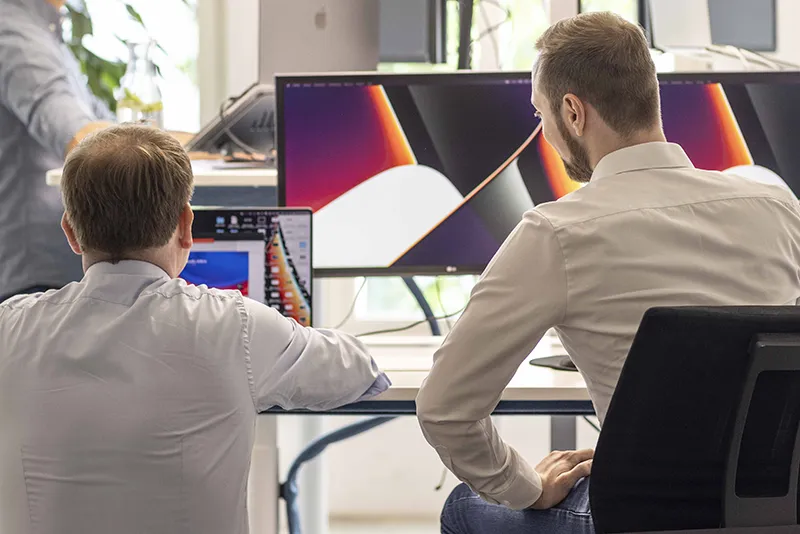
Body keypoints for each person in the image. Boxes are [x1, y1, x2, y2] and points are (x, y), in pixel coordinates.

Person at [416, 12, 800, 534]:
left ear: (573, 112)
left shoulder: (557, 233)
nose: (544, 132)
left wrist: (525, 486)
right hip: (774, 510)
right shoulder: (778, 207)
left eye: (541, 116)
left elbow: (443, 408)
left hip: (638, 515)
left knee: (463, 507)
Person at [0, 124, 390, 534]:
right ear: (187, 226)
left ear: (71, 232)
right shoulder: (235, 326)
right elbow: (358, 372)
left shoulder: (10, 328)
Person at [0, 0, 194, 302]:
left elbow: (113, 130)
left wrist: (209, 146)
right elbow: (85, 138)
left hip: (55, 265)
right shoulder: (14, 33)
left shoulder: (44, 30)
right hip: (37, 270)